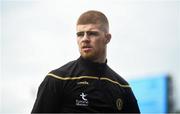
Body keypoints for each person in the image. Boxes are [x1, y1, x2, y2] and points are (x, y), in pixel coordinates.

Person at [31, 10, 140, 113]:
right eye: (80, 34)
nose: (85, 39)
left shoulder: (122, 87)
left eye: (92, 33)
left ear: (107, 38)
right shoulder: (57, 79)